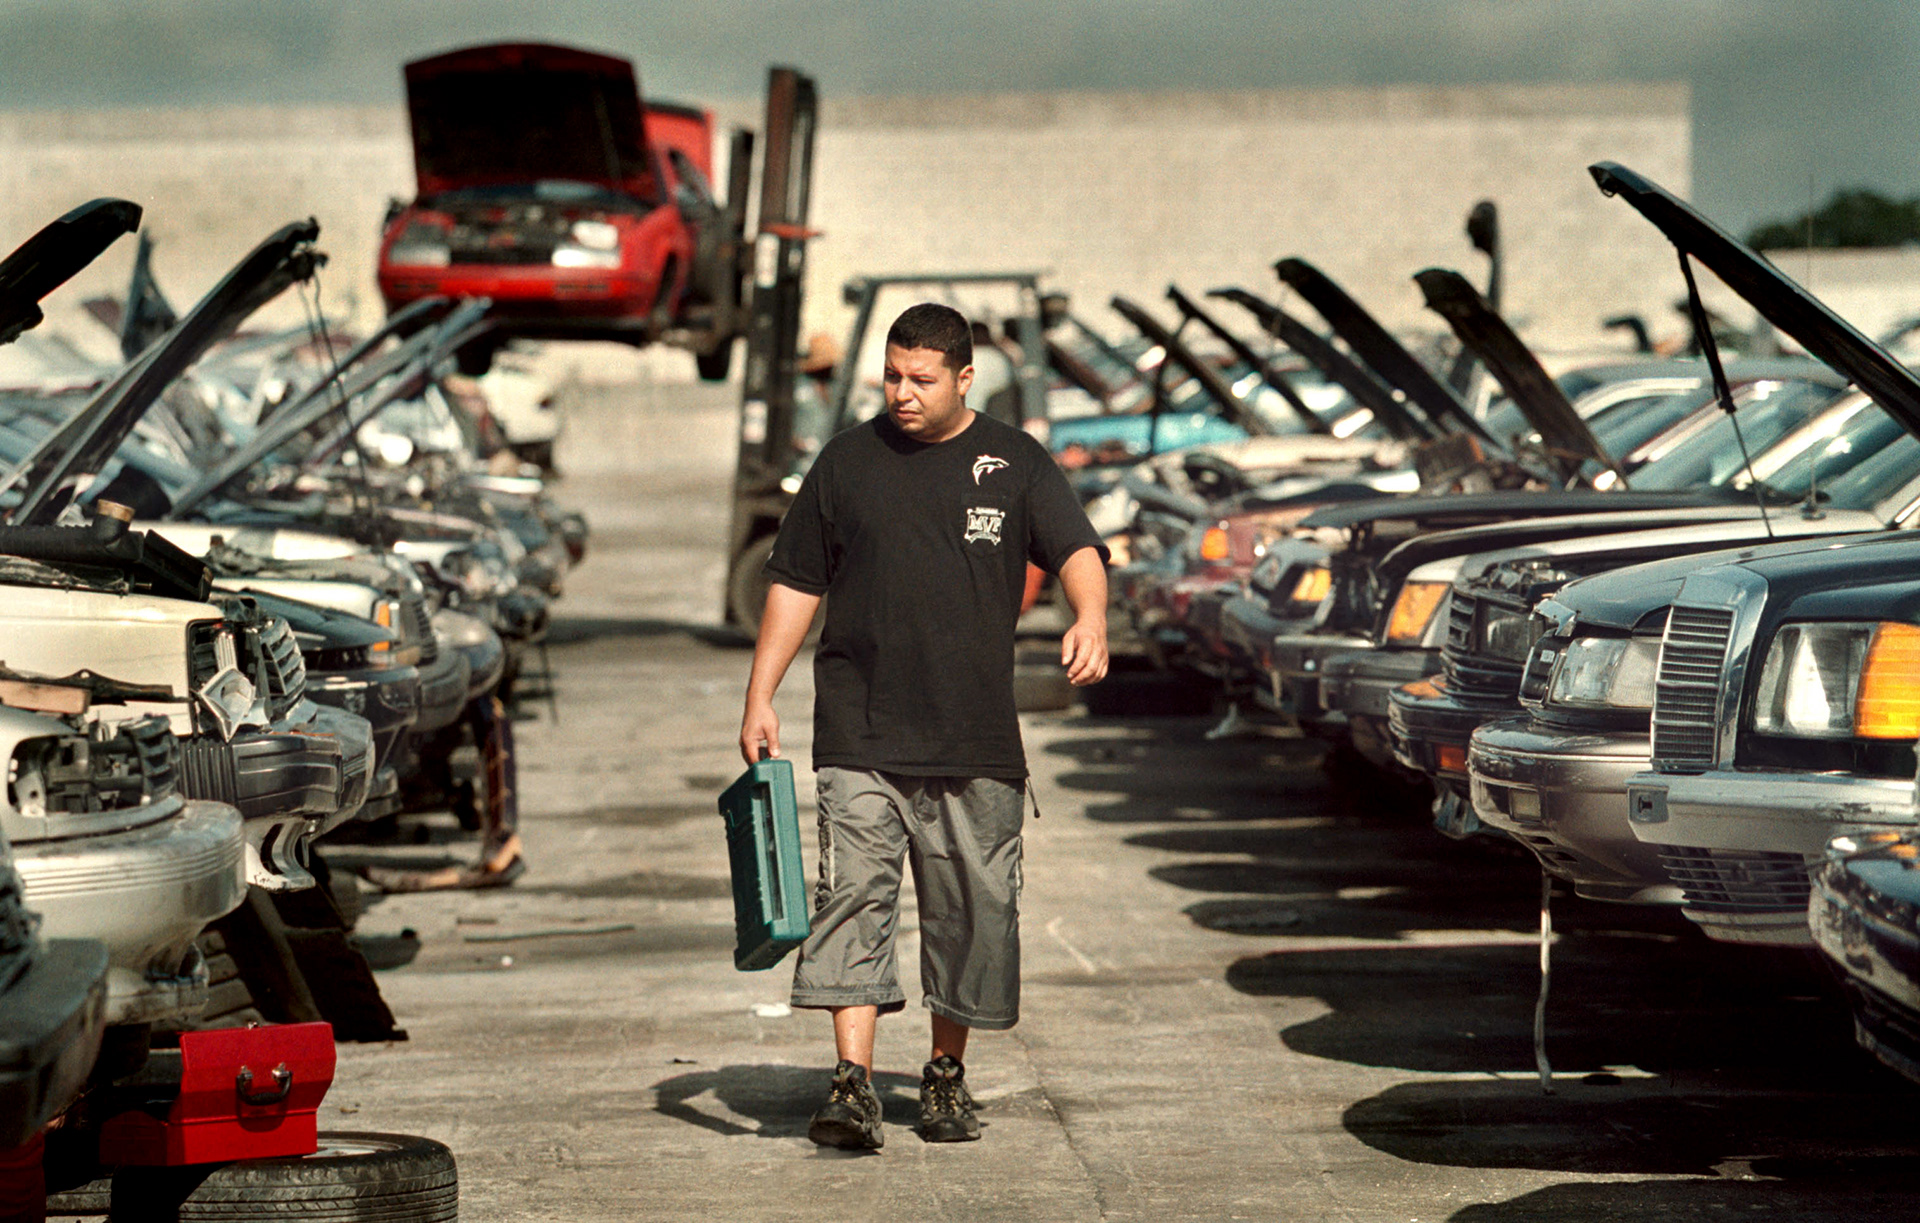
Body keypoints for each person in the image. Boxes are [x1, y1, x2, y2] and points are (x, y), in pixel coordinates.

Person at [738, 302, 1110, 1150]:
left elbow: (1078, 546)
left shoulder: (1014, 461)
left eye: (921, 379)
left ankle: (944, 1076)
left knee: (971, 912)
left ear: (964, 377)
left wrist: (1089, 614)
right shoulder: (846, 464)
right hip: (860, 732)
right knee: (853, 902)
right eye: (892, 376)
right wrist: (760, 694)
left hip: (973, 737)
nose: (901, 393)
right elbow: (796, 582)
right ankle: (853, 1083)